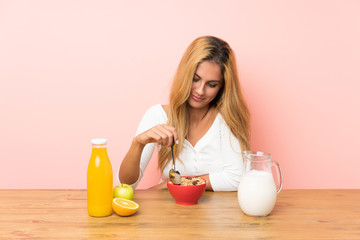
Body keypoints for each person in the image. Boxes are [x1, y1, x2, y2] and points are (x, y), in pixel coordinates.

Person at [118, 36, 250, 191]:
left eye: (212, 84)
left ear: (222, 87)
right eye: (195, 79)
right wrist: (138, 143)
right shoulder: (158, 115)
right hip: (171, 213)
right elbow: (127, 185)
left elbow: (237, 178)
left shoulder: (226, 119)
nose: (200, 91)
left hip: (217, 214)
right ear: (185, 74)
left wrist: (173, 185)